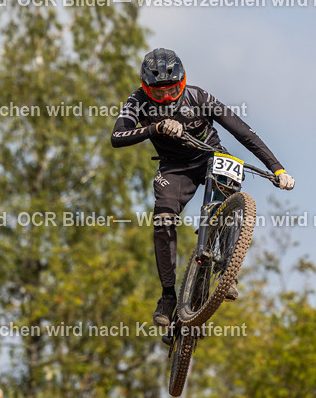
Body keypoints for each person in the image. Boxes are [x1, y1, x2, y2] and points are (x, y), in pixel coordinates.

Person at [111, 48, 296, 326]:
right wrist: (156, 128)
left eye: (172, 91)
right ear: (144, 87)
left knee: (229, 192)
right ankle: (168, 296)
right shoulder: (137, 101)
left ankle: (227, 270)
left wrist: (277, 169)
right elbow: (118, 136)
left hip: (211, 155)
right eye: (157, 93)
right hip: (174, 167)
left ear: (183, 82)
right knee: (163, 221)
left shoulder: (198, 96)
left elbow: (243, 131)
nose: (165, 98)